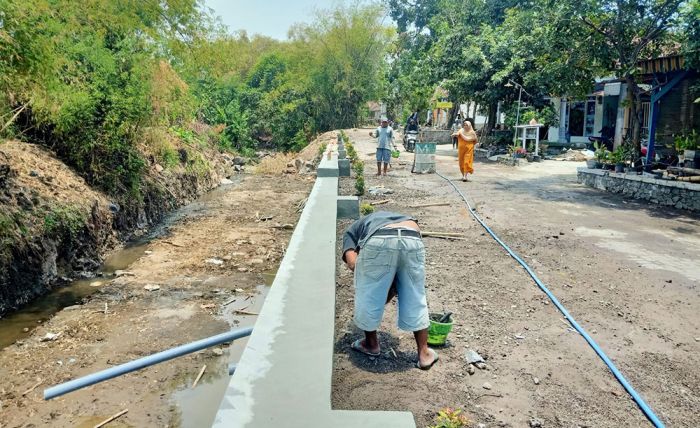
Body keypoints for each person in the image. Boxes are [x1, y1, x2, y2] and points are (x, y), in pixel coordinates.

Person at [342, 211, 438, 370]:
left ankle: (371, 344)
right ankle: (424, 354)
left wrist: (373, 286)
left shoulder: (350, 233)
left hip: (380, 238)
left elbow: (354, 265)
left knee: (368, 292)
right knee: (415, 294)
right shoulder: (402, 218)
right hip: (412, 236)